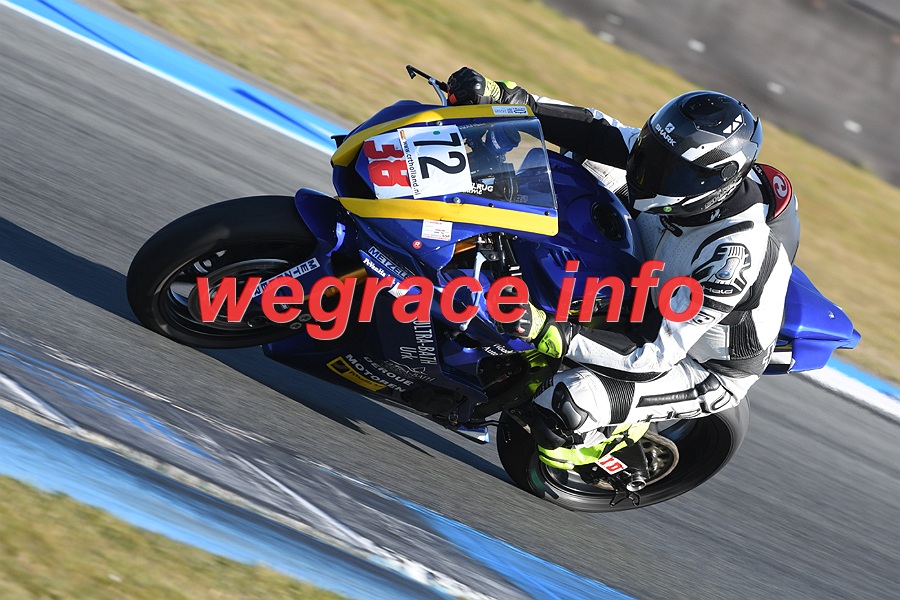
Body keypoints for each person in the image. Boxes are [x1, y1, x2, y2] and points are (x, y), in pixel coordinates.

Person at [447, 67, 797, 468]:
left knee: (565, 403)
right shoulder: (675, 163)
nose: (648, 171)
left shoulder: (730, 256)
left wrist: (546, 330)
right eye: (653, 152)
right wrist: (511, 99)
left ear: (714, 181)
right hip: (650, 273)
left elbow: (655, 352)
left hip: (695, 361)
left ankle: (608, 447)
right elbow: (598, 131)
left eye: (670, 169)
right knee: (584, 161)